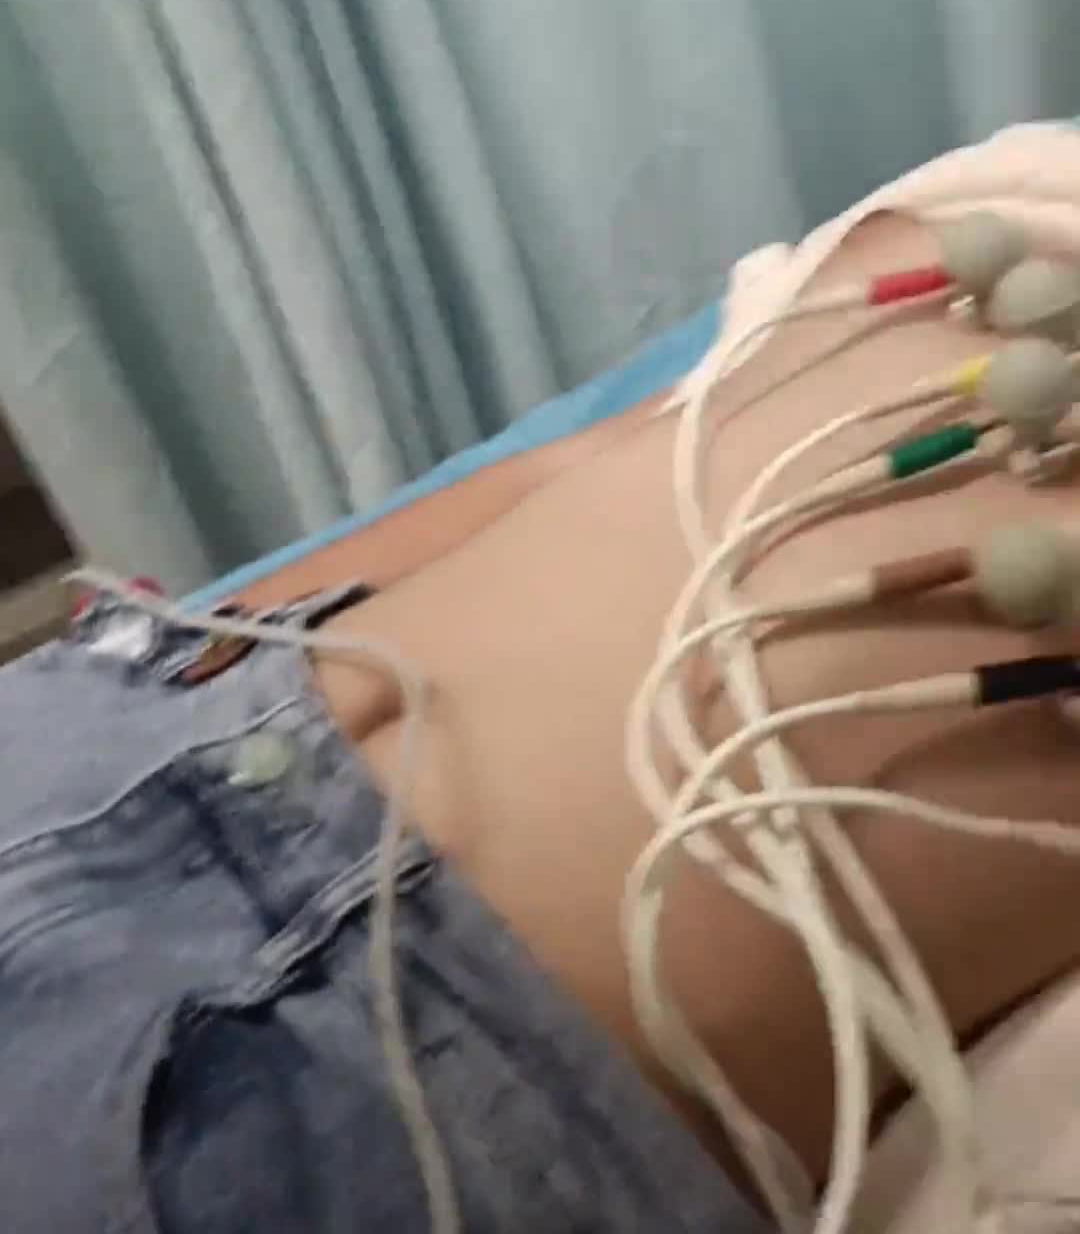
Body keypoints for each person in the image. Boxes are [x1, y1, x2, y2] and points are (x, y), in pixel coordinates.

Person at [5, 123, 1080, 1232]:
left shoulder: (977, 251)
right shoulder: (965, 247)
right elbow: (615, 450)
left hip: (146, 765)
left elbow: (589, 459)